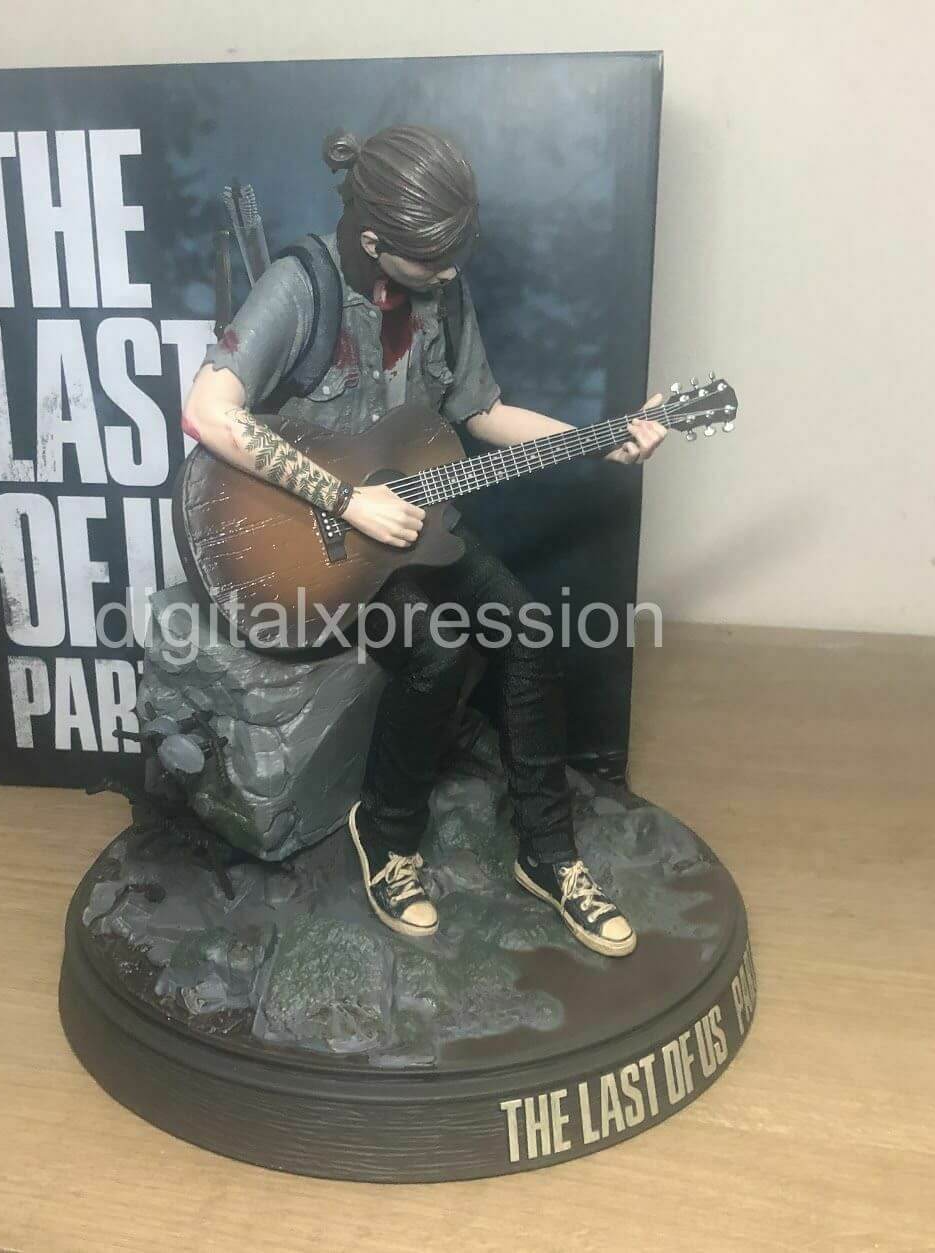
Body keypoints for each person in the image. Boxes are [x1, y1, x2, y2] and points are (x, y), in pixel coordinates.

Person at [183, 125, 666, 957]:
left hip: (412, 519)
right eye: (430, 260)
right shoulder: (300, 284)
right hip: (309, 542)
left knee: (528, 631)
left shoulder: (442, 287)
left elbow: (481, 411)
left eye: (452, 256)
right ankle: (388, 836)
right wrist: (346, 500)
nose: (447, 273)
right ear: (374, 241)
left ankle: (548, 854)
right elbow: (205, 410)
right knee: (436, 652)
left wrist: (598, 438)